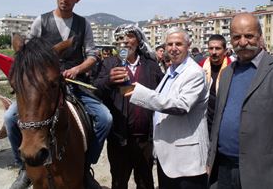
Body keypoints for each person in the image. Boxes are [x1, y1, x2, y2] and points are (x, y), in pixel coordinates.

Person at [5, 0, 112, 189]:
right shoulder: (40, 21)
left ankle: (86, 166)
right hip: (43, 85)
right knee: (9, 117)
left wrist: (77, 69)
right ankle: (23, 168)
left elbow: (92, 55)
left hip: (74, 83)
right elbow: (27, 51)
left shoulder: (84, 24)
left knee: (105, 118)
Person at [207, 13, 273, 189]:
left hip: (263, 174)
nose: (243, 42)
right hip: (223, 169)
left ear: (260, 37)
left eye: (249, 36)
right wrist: (210, 159)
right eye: (237, 37)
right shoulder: (227, 73)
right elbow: (218, 120)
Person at [128, 27, 209, 189]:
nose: (173, 48)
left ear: (188, 45)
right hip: (169, 158)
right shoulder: (171, 71)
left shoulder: (194, 73)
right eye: (169, 44)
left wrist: (141, 94)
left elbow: (181, 106)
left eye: (178, 44)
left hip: (186, 162)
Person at [94, 24, 163, 189]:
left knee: (145, 182)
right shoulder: (109, 63)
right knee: (119, 182)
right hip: (120, 139)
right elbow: (96, 91)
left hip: (145, 139)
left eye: (129, 37)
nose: (124, 41)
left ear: (138, 40)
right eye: (119, 38)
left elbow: (161, 96)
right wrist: (108, 80)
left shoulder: (151, 66)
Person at [199, 34, 232, 134]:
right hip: (204, 120)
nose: (214, 52)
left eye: (217, 48)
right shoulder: (200, 67)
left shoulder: (232, 68)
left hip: (224, 120)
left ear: (225, 51)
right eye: (211, 48)